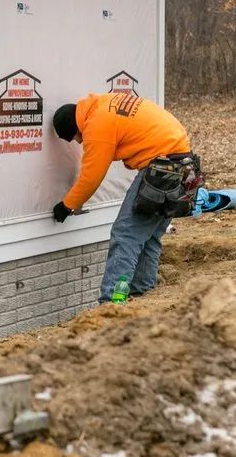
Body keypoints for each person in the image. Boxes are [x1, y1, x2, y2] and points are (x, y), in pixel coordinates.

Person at [51, 92, 193, 302]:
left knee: (125, 235)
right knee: (148, 236)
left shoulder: (96, 124)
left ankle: (113, 301)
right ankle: (143, 295)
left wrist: (67, 205)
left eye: (75, 138)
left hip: (161, 169)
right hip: (182, 166)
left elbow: (91, 177)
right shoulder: (103, 106)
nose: (79, 142)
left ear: (75, 128)